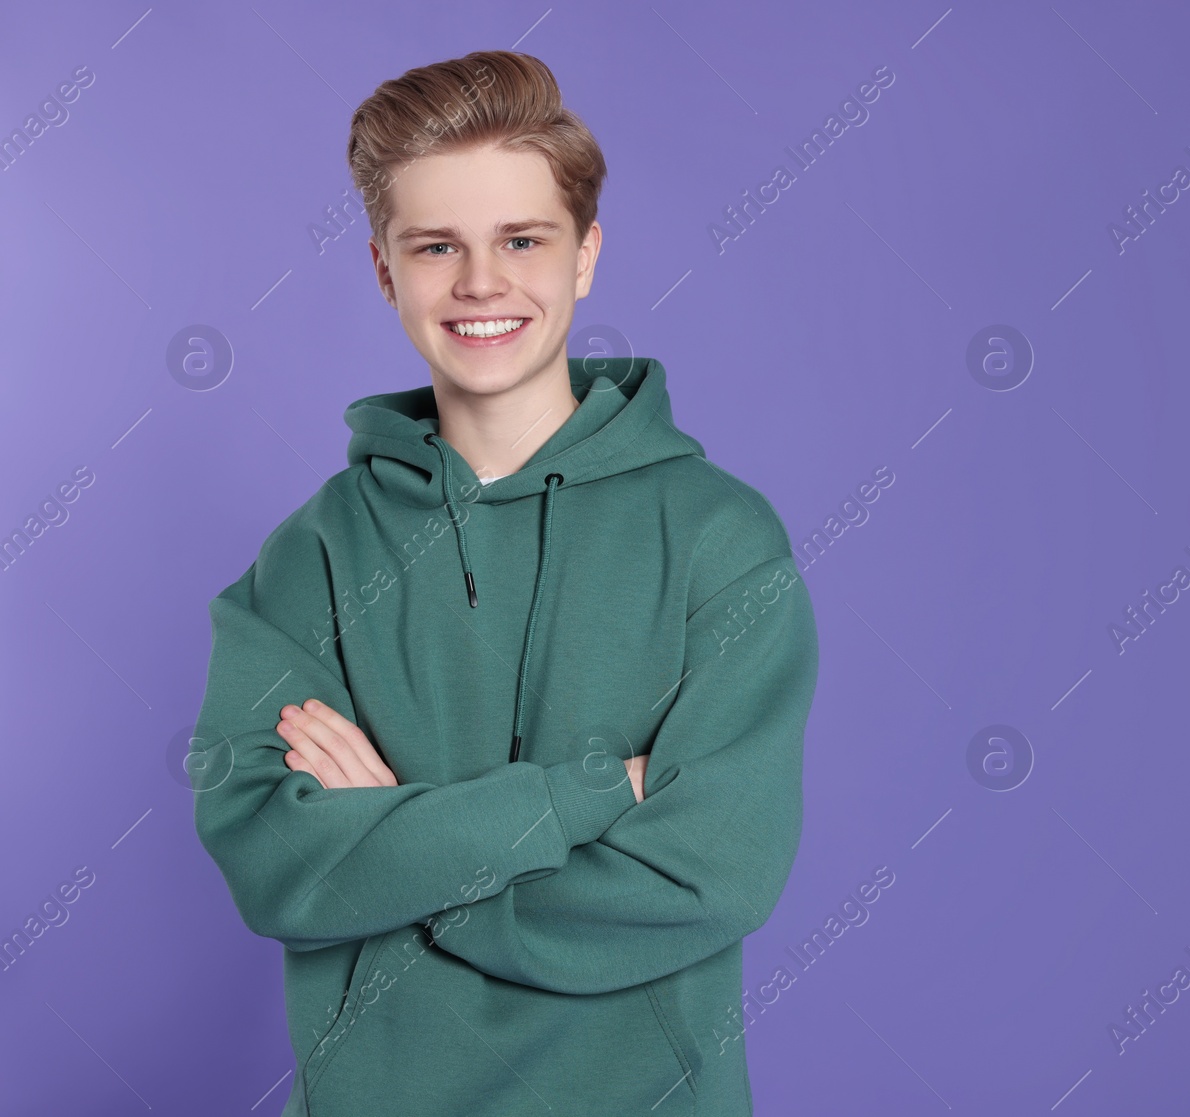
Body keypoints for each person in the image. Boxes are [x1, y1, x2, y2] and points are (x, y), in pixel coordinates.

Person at [188, 49, 819, 1116]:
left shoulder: (720, 539)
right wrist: (583, 795)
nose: (481, 284)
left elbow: (708, 876)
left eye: (522, 240)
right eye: (437, 246)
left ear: (584, 256)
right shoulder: (312, 558)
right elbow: (271, 859)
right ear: (386, 270)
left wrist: (400, 852)